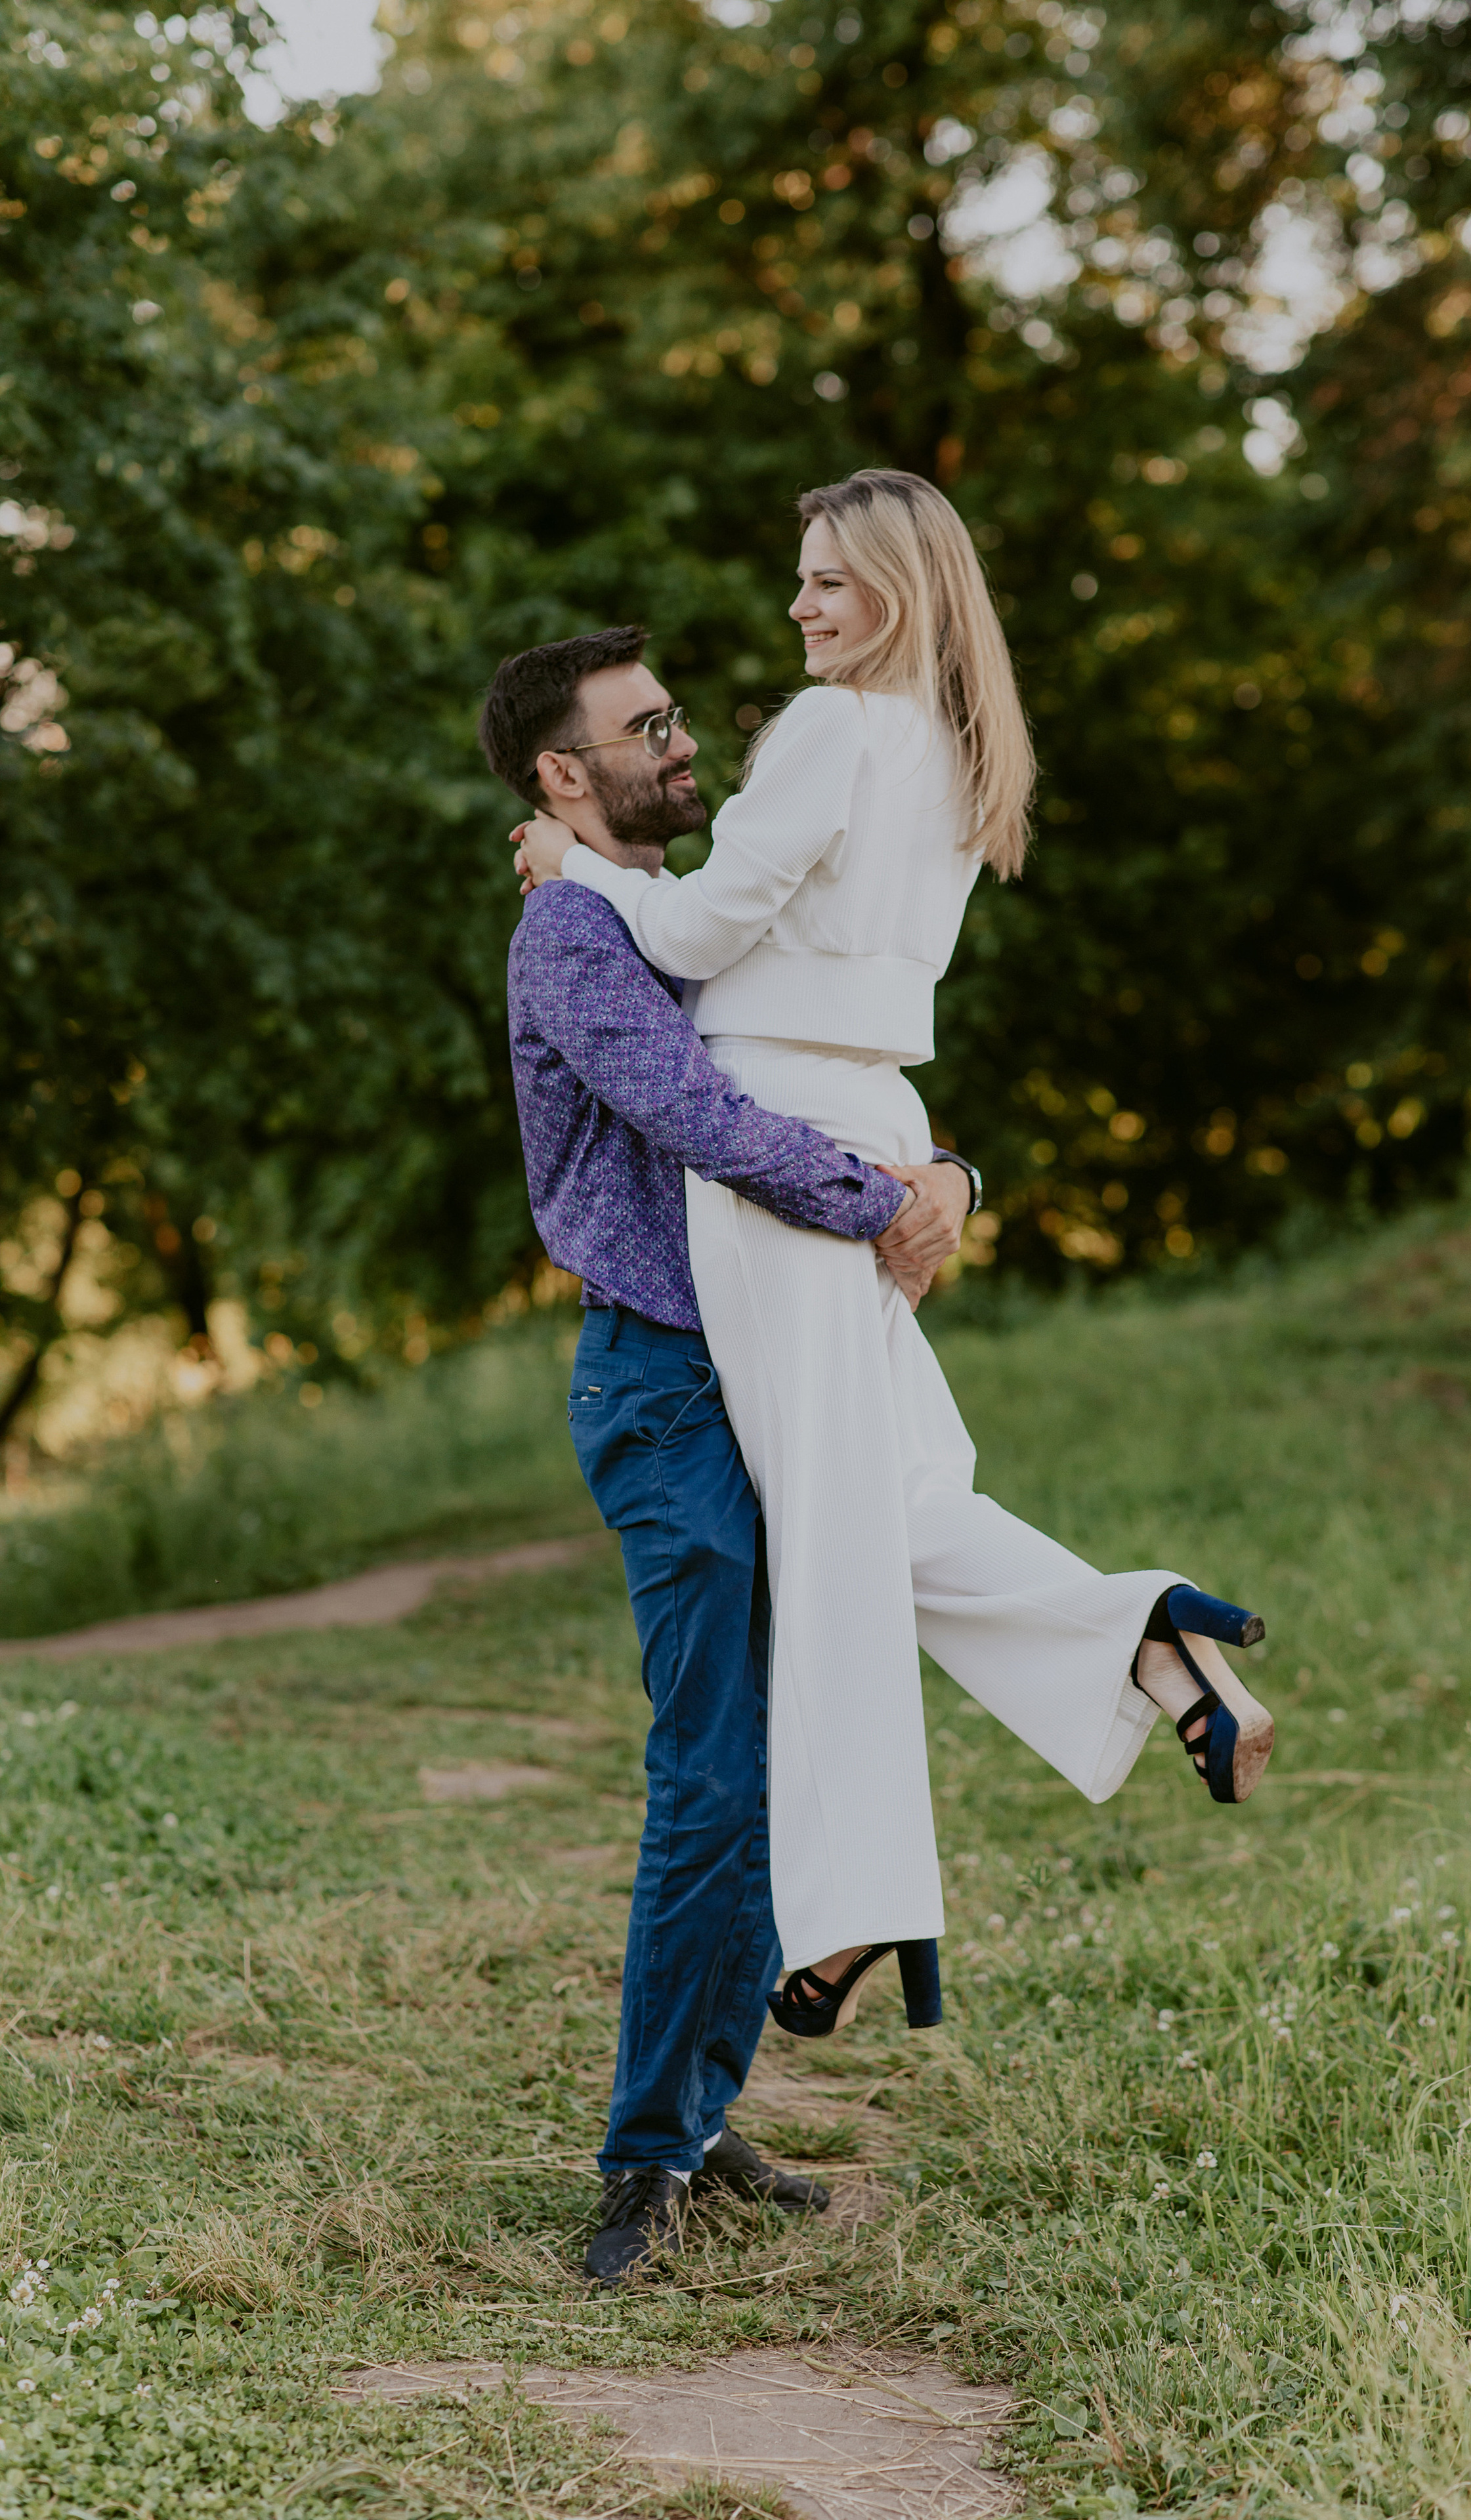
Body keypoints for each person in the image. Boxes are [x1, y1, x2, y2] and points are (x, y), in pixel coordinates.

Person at [513, 472, 1277, 2037]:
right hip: (875, 1109)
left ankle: (854, 1908)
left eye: (829, 584)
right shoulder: (951, 754)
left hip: (781, 1126)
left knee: (835, 1522)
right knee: (903, 1488)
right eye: (799, 581)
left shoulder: (828, 735)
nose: (800, 609)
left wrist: (567, 867)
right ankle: (1142, 1639)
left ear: (902, 593)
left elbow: (696, 933)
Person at [482, 625, 973, 2284]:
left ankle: (698, 2107)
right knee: (712, 1768)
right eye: (644, 729)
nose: (682, 745)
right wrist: (880, 1204)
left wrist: (943, 1170)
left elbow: (820, 1068)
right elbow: (703, 1113)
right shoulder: (571, 939)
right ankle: (641, 2163)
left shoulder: (690, 912)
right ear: (563, 775)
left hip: (785, 1359)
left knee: (792, 1731)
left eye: (678, 717)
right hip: (671, 1384)